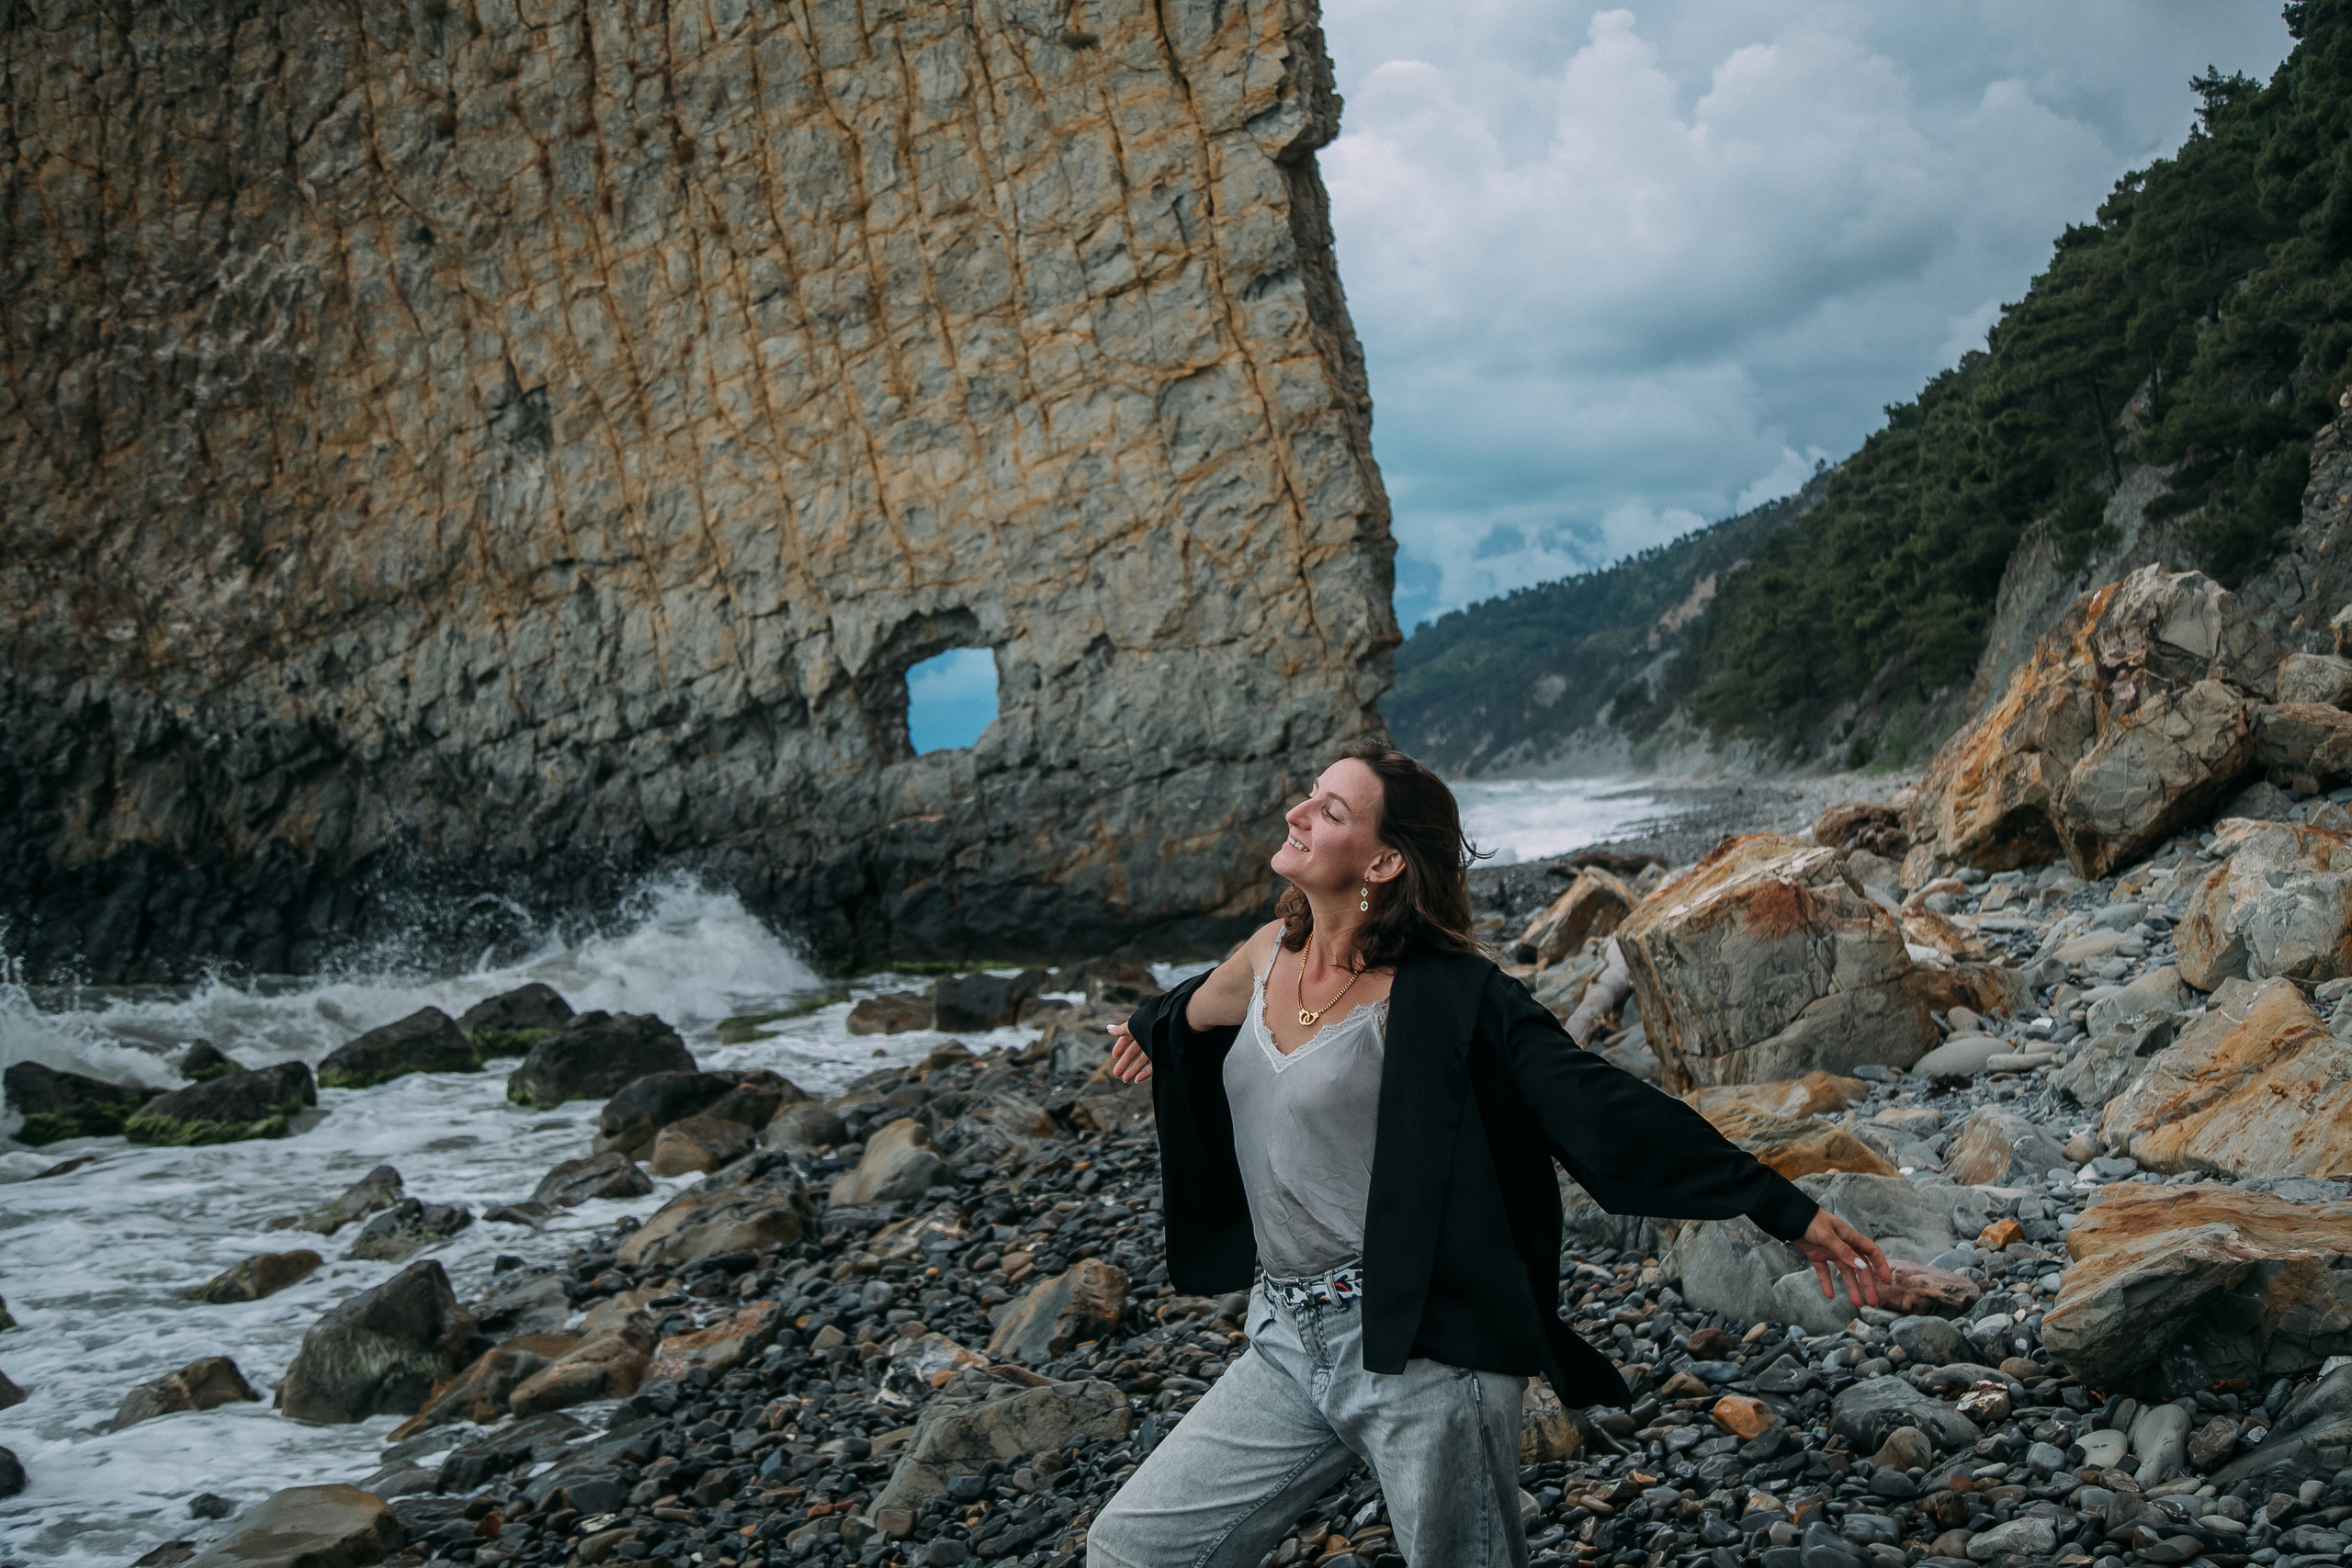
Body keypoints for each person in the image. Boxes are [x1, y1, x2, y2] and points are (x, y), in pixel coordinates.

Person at [1083, 740, 1892, 1568]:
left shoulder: (1447, 996)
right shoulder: (1266, 955)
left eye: (1330, 810)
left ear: (1386, 859)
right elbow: (1191, 1013)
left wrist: (1780, 1205)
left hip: (1424, 1349)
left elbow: (1599, 1104)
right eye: (1311, 796)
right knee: (1132, 1548)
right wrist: (1148, 1028)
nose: (1297, 813)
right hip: (1287, 1337)